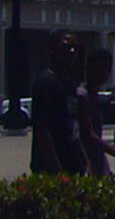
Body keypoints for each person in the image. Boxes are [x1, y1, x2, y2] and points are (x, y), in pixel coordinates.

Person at [30, 29, 89, 175]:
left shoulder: (69, 84)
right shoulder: (46, 82)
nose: (71, 51)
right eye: (66, 46)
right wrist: (56, 169)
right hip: (51, 168)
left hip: (73, 164)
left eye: (74, 48)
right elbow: (42, 130)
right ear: (52, 50)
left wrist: (84, 160)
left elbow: (73, 127)